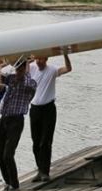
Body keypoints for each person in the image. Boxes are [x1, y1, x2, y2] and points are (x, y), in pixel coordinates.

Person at [0, 59, 36, 191]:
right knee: (0, 155)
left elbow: (28, 83)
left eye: (21, 68)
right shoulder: (10, 79)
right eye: (17, 68)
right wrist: (0, 68)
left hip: (16, 120)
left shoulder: (30, 82)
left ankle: (15, 184)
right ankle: (8, 181)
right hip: (4, 118)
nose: (18, 71)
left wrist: (27, 65)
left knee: (8, 154)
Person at [29, 51, 72, 182]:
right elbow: (17, 68)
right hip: (35, 108)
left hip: (48, 109)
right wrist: (28, 59)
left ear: (46, 59)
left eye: (41, 59)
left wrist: (65, 54)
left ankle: (45, 172)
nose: (38, 62)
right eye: (37, 59)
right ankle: (39, 170)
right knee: (36, 142)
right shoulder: (31, 67)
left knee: (45, 142)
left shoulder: (52, 70)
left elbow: (68, 69)